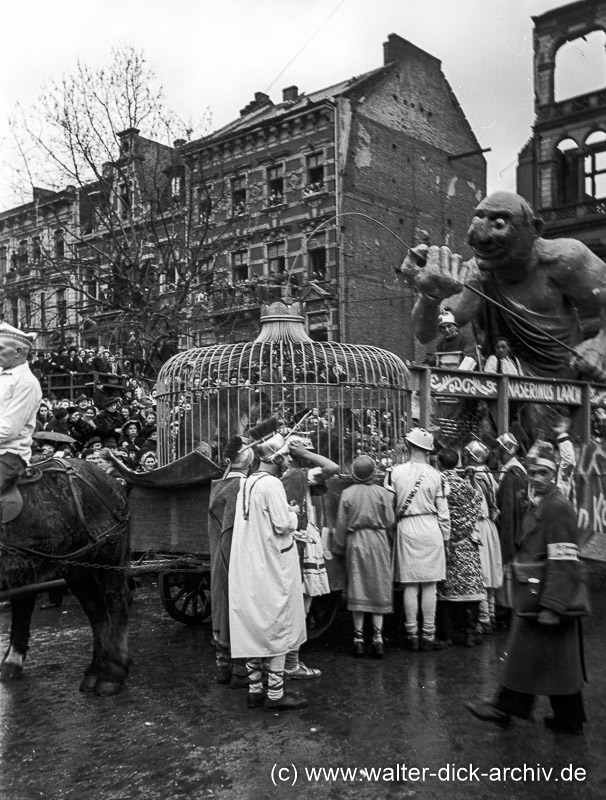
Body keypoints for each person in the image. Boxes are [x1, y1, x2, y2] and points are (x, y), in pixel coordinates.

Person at [402, 190, 606, 381]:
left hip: (566, 386)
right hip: (508, 384)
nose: (481, 238)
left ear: (534, 229)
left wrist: (600, 346)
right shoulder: (479, 273)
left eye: (499, 223)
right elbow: (425, 333)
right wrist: (430, 296)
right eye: (477, 220)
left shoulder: (566, 259)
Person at [465, 442, 587, 734]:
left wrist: (552, 605)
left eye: (543, 473)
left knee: (527, 655)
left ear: (554, 473)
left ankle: (504, 708)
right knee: (558, 663)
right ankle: (568, 719)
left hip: (545, 595)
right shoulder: (545, 501)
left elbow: (564, 560)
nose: (536, 478)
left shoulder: (557, 507)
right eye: (532, 472)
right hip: (538, 591)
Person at [228, 427, 308, 711]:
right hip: (272, 563)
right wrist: (293, 514)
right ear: (273, 457)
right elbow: (282, 524)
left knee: (254, 628)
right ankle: (275, 694)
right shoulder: (272, 485)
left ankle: (254, 689)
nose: (288, 461)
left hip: (249, 562)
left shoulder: (247, 482)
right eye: (284, 456)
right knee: (276, 626)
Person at [280, 434, 339, 680]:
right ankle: (291, 663)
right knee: (300, 607)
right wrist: (302, 453)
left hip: (290, 541)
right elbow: (332, 467)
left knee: (290, 607)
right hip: (301, 542)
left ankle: (283, 661)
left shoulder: (281, 476)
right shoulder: (298, 475)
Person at [390, 427, 450, 651]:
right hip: (431, 528)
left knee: (410, 585)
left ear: (409, 446)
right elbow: (444, 514)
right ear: (428, 451)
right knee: (430, 585)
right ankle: (429, 634)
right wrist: (446, 540)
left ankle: (412, 634)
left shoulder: (394, 472)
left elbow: (389, 506)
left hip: (406, 527)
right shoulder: (438, 476)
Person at [333, 454, 395, 658]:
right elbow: (390, 520)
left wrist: (339, 548)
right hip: (378, 541)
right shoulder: (383, 493)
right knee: (379, 587)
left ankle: (358, 639)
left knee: (357, 587)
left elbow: (341, 524)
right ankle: (378, 640)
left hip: (356, 542)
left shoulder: (347, 493)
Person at [207, 436, 253, 688]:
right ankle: (240, 670)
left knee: (221, 604)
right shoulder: (243, 487)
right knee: (238, 607)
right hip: (236, 560)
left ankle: (223, 666)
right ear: (248, 459)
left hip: (219, 560)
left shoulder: (220, 484)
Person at [435, 447, 484, 647]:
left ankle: (446, 635)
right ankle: (470, 633)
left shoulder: (438, 482)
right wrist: (471, 479)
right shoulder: (465, 486)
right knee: (470, 589)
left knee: (445, 591)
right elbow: (477, 503)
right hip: (467, 544)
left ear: (438, 463)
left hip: (447, 545)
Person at [0, 323, 43, 500]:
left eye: (1, 349)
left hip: (9, 455)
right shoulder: (2, 375)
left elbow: (8, 429)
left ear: (18, 352)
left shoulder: (27, 383)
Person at [464, 439, 503, 635]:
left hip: (478, 525)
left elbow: (472, 500)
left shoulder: (473, 475)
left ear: (471, 457)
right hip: (489, 525)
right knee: (489, 570)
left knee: (480, 572)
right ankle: (492, 612)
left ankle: (484, 617)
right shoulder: (488, 473)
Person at [495, 432, 528, 628]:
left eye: (499, 449)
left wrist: (506, 535)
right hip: (518, 527)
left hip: (510, 528)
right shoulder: (518, 471)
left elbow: (507, 510)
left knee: (508, 569)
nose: (496, 453)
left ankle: (507, 609)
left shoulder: (510, 475)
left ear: (505, 451)